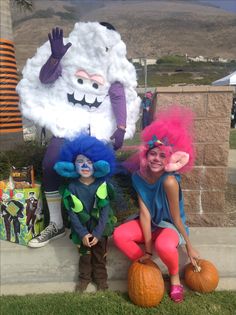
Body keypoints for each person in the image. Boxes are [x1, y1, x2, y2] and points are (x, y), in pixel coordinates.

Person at [17, 22, 140, 247]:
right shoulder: (70, 54)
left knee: (100, 170)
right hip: (68, 121)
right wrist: (55, 58)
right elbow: (45, 79)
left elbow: (117, 94)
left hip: (96, 126)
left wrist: (121, 127)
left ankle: (101, 223)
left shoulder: (112, 64)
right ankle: (56, 224)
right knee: (51, 163)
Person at [113, 106, 200, 303]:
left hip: (169, 225)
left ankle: (175, 278)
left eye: (163, 155)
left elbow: (177, 218)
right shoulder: (138, 177)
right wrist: (148, 250)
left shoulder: (169, 181)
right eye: (153, 154)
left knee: (165, 246)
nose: (157, 159)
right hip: (150, 223)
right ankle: (149, 270)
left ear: (170, 159)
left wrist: (189, 246)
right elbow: (144, 213)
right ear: (146, 154)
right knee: (120, 235)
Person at [53, 134, 116, 292]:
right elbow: (72, 214)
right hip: (81, 230)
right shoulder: (72, 187)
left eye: (90, 162)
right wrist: (82, 233)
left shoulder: (102, 185)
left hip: (100, 229)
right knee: (85, 256)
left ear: (98, 164)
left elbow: (104, 212)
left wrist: (98, 233)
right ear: (73, 164)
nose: (85, 166)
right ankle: (84, 279)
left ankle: (101, 279)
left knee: (99, 256)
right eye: (80, 161)